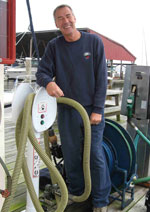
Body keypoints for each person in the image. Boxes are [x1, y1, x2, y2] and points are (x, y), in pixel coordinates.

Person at [36, 4, 111, 212]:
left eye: (68, 16)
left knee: (94, 154)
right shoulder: (54, 46)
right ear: (56, 23)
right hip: (68, 111)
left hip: (91, 111)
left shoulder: (93, 42)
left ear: (75, 18)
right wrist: (48, 83)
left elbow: (102, 79)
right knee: (71, 155)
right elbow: (41, 72)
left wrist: (98, 109)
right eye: (60, 18)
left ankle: (101, 200)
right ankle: (78, 195)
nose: (65, 21)